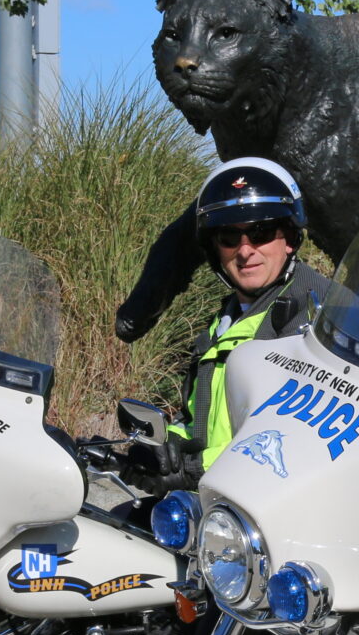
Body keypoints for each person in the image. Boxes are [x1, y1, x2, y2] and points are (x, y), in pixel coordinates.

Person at [132, 158, 335, 488]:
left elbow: (306, 438)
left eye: (261, 232)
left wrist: (195, 468)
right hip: (222, 504)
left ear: (289, 237)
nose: (245, 251)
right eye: (229, 236)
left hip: (286, 506)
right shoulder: (225, 324)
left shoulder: (326, 312)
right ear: (215, 249)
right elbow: (200, 423)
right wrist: (165, 448)